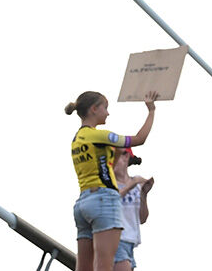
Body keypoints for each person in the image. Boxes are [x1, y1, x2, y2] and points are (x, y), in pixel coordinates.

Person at [66, 90, 158, 271]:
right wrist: (151, 111)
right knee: (104, 267)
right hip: (104, 200)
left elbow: (106, 164)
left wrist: (115, 154)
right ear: (93, 109)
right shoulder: (98, 135)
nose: (108, 113)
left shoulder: (77, 139)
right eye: (105, 108)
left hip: (83, 202)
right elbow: (139, 139)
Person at [113, 148, 153, 271]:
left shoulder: (136, 184)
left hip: (130, 243)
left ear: (125, 157)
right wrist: (131, 185)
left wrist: (143, 194)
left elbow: (142, 218)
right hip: (115, 240)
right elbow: (111, 202)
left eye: (114, 158)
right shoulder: (109, 184)